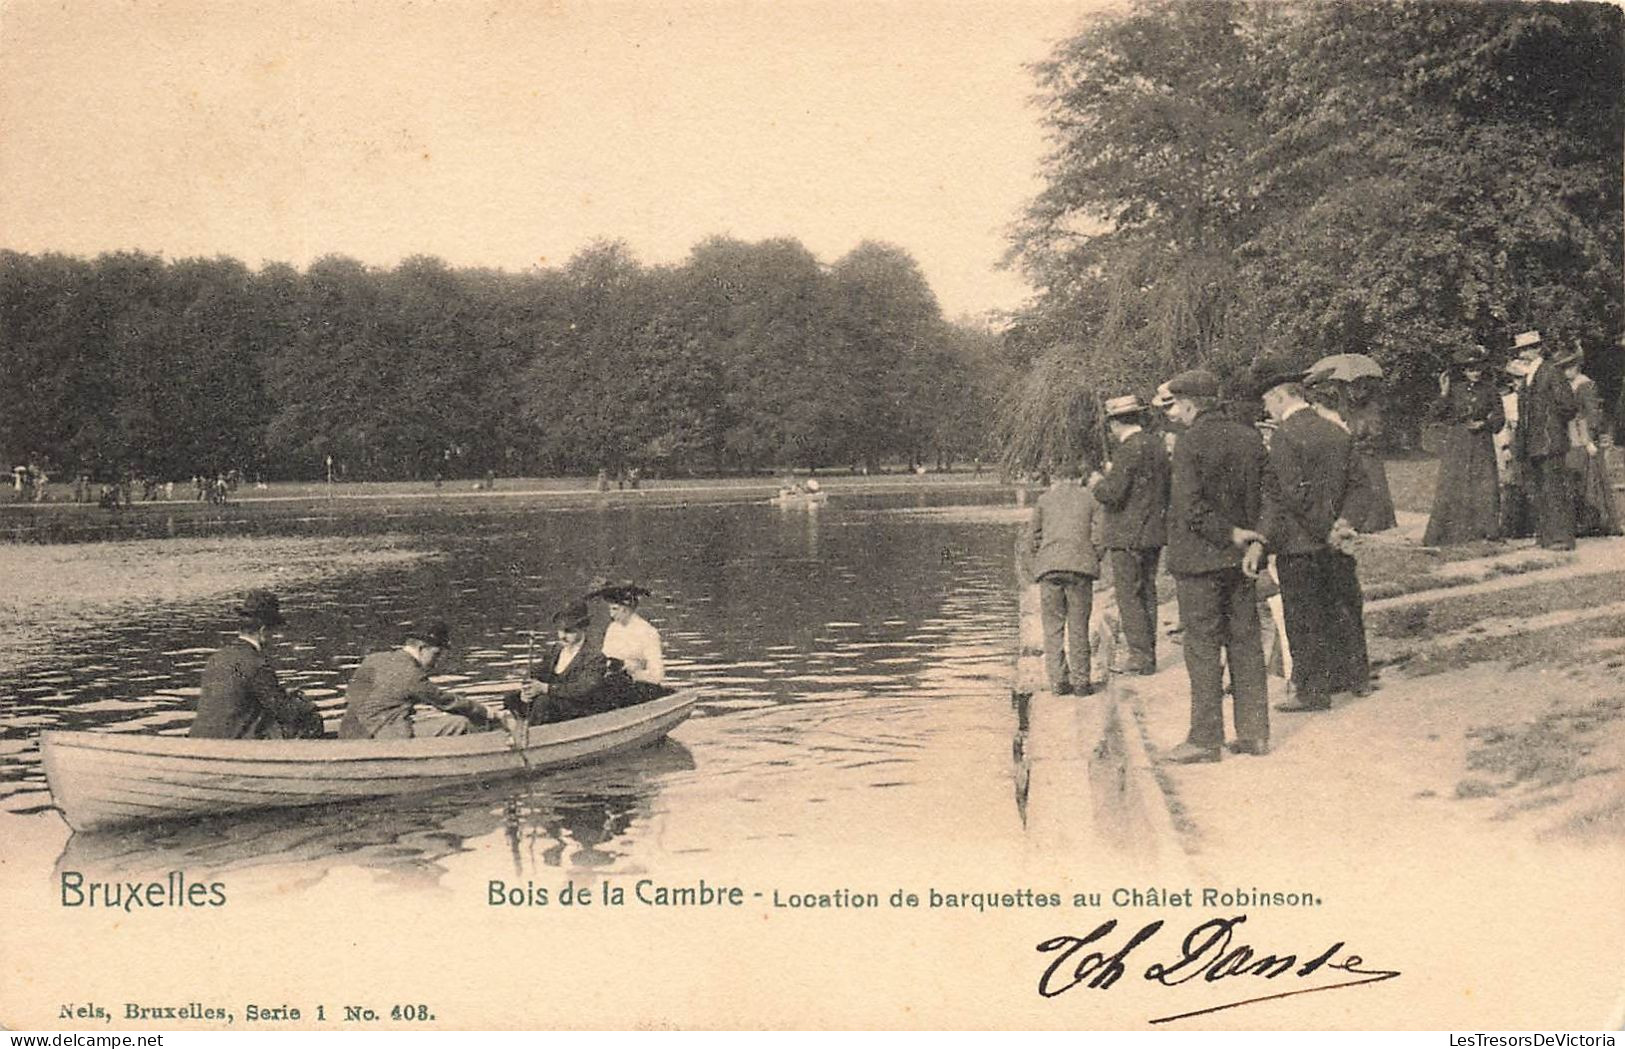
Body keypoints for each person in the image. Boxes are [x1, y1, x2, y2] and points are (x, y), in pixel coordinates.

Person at [1162, 369, 1271, 761]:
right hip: (1243, 562)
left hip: (1199, 562)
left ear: (1190, 404)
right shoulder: (1250, 437)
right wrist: (1256, 540)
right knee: (1245, 643)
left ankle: (1205, 740)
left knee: (1203, 648)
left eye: (1175, 404)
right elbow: (1269, 499)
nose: (1173, 413)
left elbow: (1191, 508)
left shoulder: (1190, 444)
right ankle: (1255, 734)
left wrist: (1229, 533)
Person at [1254, 365, 1367, 713]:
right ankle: (1354, 676)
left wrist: (1323, 530)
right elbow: (1360, 485)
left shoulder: (1284, 437)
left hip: (1301, 543)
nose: (1267, 410)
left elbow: (1294, 495)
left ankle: (1312, 691)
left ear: (1280, 396)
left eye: (1267, 403)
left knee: (1304, 616)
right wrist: (1343, 524)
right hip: (1337, 542)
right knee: (1342, 606)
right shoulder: (1336, 431)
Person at [1088, 394, 1168, 675]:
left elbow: (1113, 494)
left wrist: (1099, 482)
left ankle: (1139, 656)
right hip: (1153, 533)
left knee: (1129, 595)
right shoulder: (1156, 445)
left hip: (1127, 535)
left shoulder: (1126, 450)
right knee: (1147, 591)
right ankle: (1148, 654)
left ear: (1115, 423)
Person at [190, 590, 325, 740]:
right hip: (236, 743)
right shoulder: (258, 665)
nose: (276, 636)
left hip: (201, 738)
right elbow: (285, 712)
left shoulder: (216, 658)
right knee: (311, 720)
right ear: (263, 631)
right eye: (275, 631)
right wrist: (306, 705)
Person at [337, 622, 499, 739]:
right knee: (461, 723)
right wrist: (485, 711)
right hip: (385, 736)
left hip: (350, 730)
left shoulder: (373, 658)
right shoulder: (413, 675)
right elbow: (445, 702)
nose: (436, 663)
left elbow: (351, 695)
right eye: (436, 655)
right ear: (421, 648)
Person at [1029, 460, 1105, 696]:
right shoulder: (1091, 498)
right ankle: (1082, 682)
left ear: (1057, 479)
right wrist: (1093, 556)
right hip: (1080, 569)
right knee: (1078, 626)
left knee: (1053, 627)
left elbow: (1032, 537)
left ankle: (1058, 682)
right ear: (1078, 478)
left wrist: (1043, 557)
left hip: (1049, 569)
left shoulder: (1043, 500)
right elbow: (1101, 533)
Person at [1423, 345, 1504, 546]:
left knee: (1484, 483)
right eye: (1470, 369)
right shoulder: (1454, 390)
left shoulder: (1490, 390)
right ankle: (1456, 529)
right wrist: (1443, 393)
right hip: (1458, 441)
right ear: (1463, 370)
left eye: (1477, 368)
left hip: (1481, 442)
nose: (1474, 373)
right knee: (1455, 482)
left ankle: (1487, 530)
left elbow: (1500, 417)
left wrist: (1485, 424)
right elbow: (1435, 415)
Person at [510, 601, 635, 724]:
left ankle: (533, 736)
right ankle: (515, 729)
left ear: (583, 628)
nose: (562, 636)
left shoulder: (595, 657)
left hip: (579, 708)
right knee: (512, 698)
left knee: (544, 702)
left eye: (569, 631)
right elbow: (538, 672)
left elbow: (583, 689)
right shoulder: (556, 650)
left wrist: (546, 688)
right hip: (556, 702)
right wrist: (526, 690)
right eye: (560, 630)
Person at [1511, 330, 1579, 550]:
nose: (1524, 353)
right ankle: (1546, 536)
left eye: (1528, 348)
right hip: (1533, 443)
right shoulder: (1529, 375)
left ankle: (1562, 538)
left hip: (1550, 442)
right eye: (1521, 349)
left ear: (1538, 349)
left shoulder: (1551, 371)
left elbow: (1568, 406)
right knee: (1539, 489)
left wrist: (1550, 423)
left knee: (1554, 489)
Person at [1560, 343, 1621, 537]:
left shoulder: (1584, 385)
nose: (1565, 372)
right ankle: (1583, 522)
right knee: (1578, 478)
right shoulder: (1568, 386)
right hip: (1571, 435)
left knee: (1590, 479)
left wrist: (1589, 439)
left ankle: (1595, 522)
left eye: (1568, 368)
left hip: (1582, 436)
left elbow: (1592, 414)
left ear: (1576, 367)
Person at [590, 582, 666, 688]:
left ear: (628, 608)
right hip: (614, 682)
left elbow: (657, 674)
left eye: (615, 609)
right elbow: (605, 658)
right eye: (610, 609)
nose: (612, 614)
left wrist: (631, 674)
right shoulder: (613, 628)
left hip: (639, 685)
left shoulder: (648, 632)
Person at [1496, 359, 1535, 539]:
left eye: (1523, 378)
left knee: (1529, 484)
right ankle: (1513, 527)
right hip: (1514, 444)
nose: (1519, 383)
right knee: (1513, 484)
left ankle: (1530, 524)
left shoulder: (1532, 398)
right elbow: (1506, 427)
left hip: (1530, 444)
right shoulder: (1509, 400)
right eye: (1517, 379)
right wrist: (1506, 446)